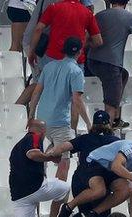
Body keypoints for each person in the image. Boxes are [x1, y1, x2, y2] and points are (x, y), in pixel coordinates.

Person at [29, 37, 91, 191]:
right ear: (80, 51)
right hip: (60, 121)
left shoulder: (49, 66)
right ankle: (57, 194)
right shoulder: (76, 71)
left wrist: (31, 115)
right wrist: (89, 123)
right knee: (64, 160)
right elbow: (77, 99)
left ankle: (43, 182)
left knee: (51, 153)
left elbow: (36, 91)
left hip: (42, 119)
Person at [87, 0, 132, 125]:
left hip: (93, 61)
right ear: (126, 2)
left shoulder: (100, 15)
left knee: (123, 74)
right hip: (111, 64)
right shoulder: (129, 17)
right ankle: (108, 128)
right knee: (110, 105)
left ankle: (117, 117)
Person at [9, 118, 66, 217]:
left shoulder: (17, 146)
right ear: (44, 131)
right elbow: (33, 154)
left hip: (19, 194)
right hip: (35, 187)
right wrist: (51, 157)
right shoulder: (35, 137)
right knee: (65, 188)